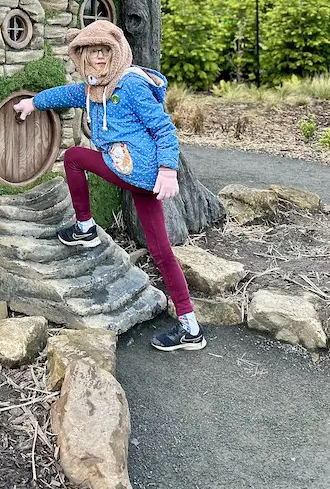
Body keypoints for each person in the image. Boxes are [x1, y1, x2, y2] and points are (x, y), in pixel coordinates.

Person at [13, 19, 205, 352]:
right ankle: (190, 327)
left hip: (143, 173)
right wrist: (34, 103)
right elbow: (67, 94)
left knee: (74, 156)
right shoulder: (93, 89)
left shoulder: (129, 84)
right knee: (161, 251)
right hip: (136, 178)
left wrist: (168, 170)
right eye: (92, 53)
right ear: (82, 57)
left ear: (116, 53)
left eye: (105, 52)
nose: (98, 59)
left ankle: (85, 227)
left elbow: (163, 129)